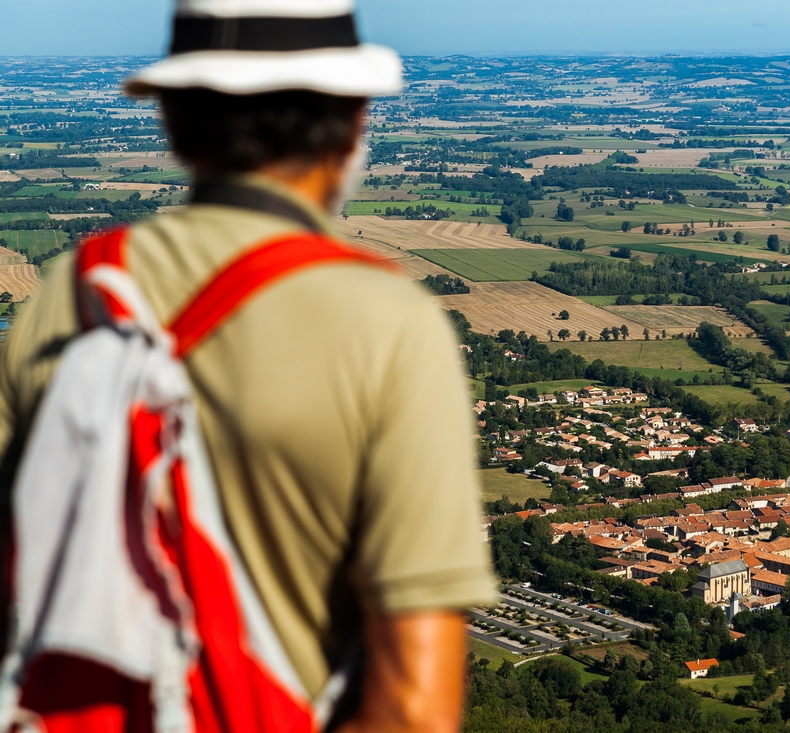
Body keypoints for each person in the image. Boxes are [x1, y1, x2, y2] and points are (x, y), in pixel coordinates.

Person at [0, 1, 496, 731]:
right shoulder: (388, 325)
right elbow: (415, 704)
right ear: (354, 122)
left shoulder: (71, 296)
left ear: (171, 120)